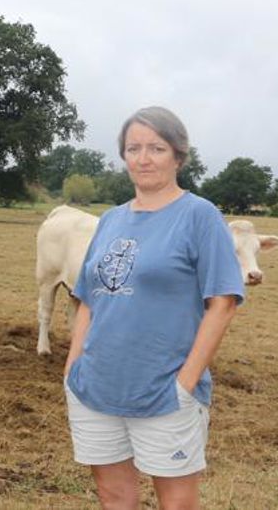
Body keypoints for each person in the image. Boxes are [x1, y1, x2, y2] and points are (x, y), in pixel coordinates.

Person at [63, 106, 244, 509]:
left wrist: (185, 383)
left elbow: (223, 303)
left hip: (163, 391)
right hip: (96, 387)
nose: (143, 158)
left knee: (176, 502)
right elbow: (89, 297)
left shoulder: (200, 216)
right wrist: (73, 365)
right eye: (133, 148)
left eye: (156, 148)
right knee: (113, 497)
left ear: (178, 156)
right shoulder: (110, 220)